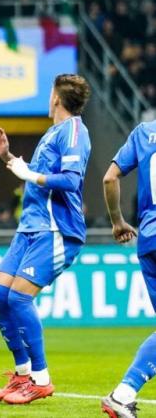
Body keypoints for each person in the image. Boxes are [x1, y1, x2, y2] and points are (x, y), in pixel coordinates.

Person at [0, 74, 91, 404]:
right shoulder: (54, 133)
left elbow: (71, 181)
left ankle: (41, 380)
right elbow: (36, 175)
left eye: (50, 93)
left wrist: (29, 173)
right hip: (30, 227)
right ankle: (22, 375)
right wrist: (8, 159)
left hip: (56, 229)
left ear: (57, 99)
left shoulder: (74, 131)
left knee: (19, 298)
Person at [101, 121, 156, 418]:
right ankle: (122, 394)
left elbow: (110, 179)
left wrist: (117, 221)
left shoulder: (144, 132)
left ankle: (122, 394)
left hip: (148, 239)